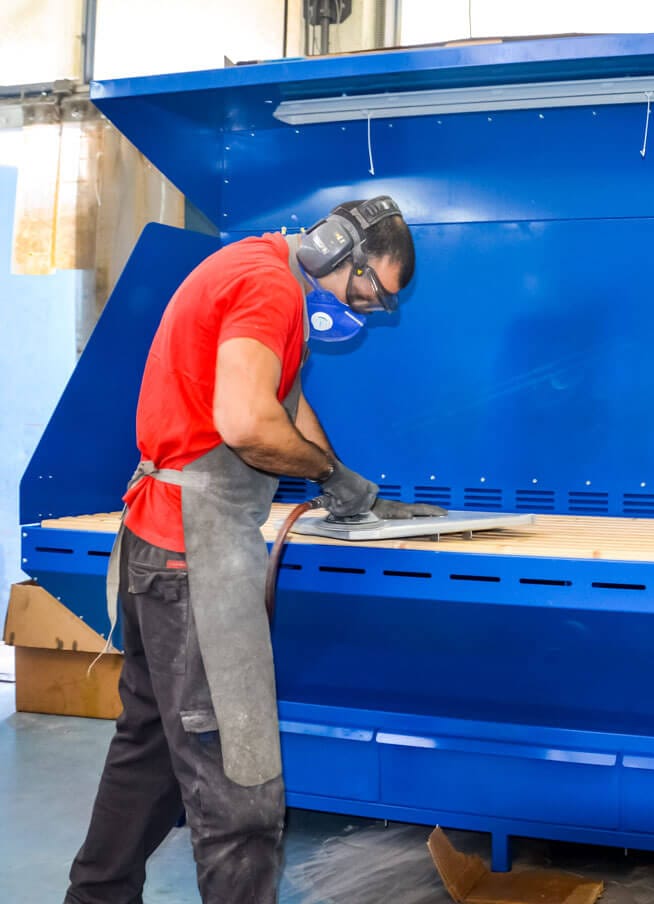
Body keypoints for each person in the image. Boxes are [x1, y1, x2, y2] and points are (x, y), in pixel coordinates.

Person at [64, 196, 442, 904]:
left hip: (159, 541)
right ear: (337, 250)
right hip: (194, 560)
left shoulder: (258, 265)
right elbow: (246, 423)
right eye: (368, 291)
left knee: (149, 754)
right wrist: (325, 472)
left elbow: (283, 400)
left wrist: (342, 483)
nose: (363, 309)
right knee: (240, 786)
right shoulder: (269, 288)